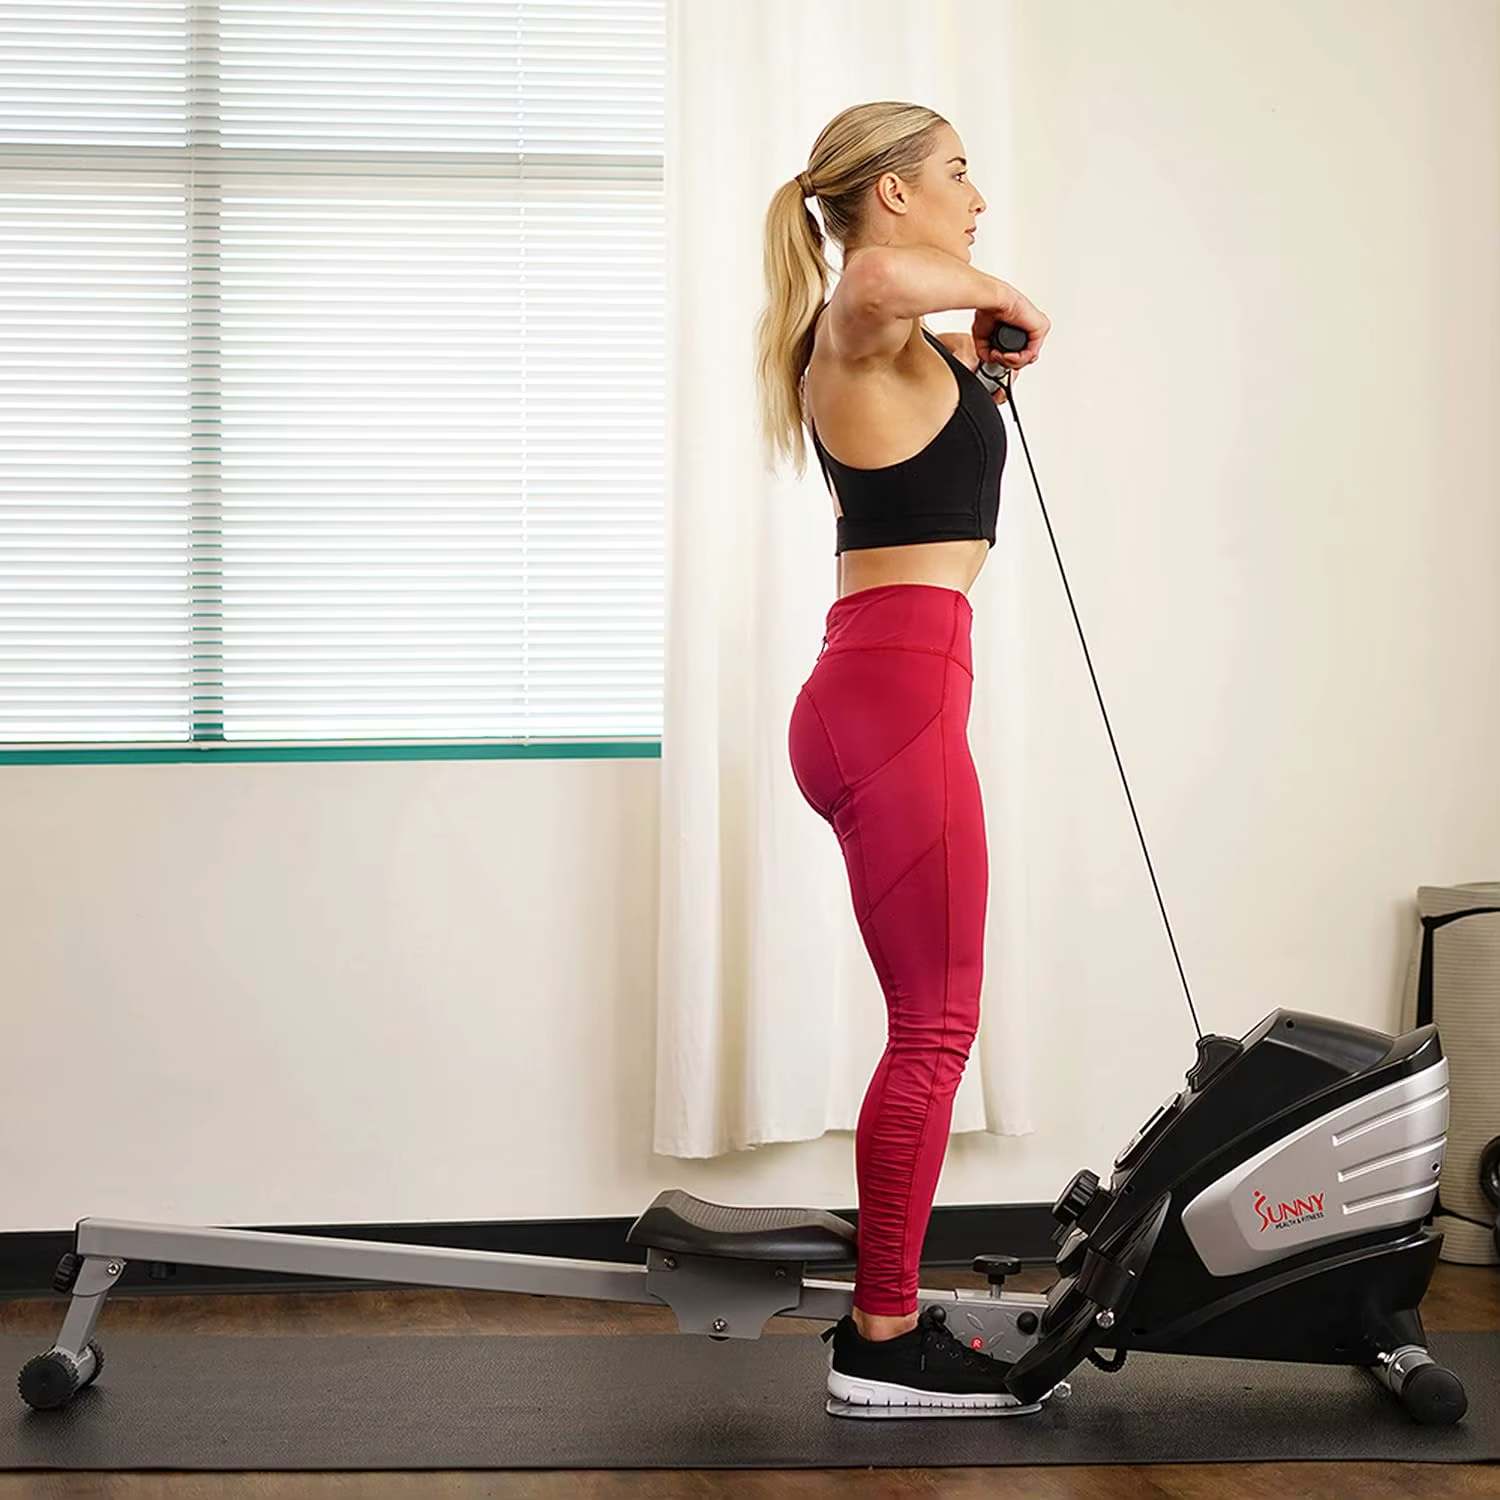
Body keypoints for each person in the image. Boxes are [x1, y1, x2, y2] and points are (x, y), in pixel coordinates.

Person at [753, 102, 1051, 1412]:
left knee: (930, 1022)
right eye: (957, 176)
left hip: (885, 686)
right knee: (934, 1029)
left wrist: (986, 356)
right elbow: (876, 276)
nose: (977, 201)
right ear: (888, 194)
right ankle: (881, 1345)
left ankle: (888, 1311)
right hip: (893, 702)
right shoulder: (864, 309)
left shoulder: (899, 348)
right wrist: (999, 296)